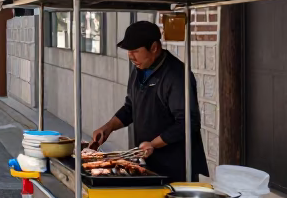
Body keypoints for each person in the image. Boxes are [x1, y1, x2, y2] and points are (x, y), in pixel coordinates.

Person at [89, 19, 208, 183]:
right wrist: (108, 127)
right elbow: (130, 107)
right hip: (148, 161)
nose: (130, 56)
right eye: (128, 51)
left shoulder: (177, 75)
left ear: (154, 48)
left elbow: (187, 122)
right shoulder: (139, 69)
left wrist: (153, 144)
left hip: (176, 165)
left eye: (135, 50)